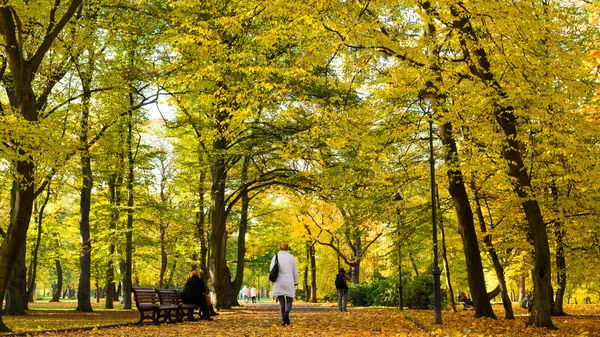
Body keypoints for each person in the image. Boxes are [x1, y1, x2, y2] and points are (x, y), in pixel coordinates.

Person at [270, 241, 299, 326]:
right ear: (287, 248)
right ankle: (286, 314)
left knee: (281, 302)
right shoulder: (291, 257)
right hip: (289, 281)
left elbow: (271, 269)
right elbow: (295, 271)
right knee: (289, 300)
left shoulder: (275, 257)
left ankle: (283, 319)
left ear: (280, 247)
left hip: (279, 281)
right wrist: (296, 281)